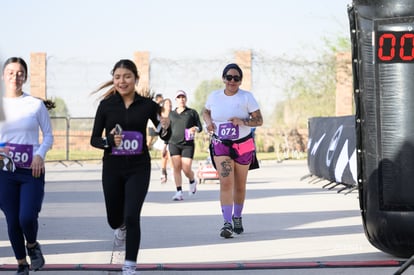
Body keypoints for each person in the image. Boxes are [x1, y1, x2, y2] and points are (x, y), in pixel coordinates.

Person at [90, 59, 170, 275]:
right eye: (117, 77)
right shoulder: (106, 106)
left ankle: (130, 265)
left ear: (135, 78)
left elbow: (164, 133)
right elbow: (94, 139)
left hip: (138, 167)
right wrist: (108, 142)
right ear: (113, 79)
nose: (122, 81)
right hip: (113, 168)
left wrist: (165, 127)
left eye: (127, 76)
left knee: (132, 215)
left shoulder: (147, 105)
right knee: (115, 219)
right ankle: (120, 227)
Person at [0, 57, 54, 274]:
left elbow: (48, 135)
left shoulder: (34, 104)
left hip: (32, 170)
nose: (16, 76)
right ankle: (21, 263)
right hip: (5, 171)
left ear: (26, 76)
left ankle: (32, 245)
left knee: (27, 217)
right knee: (13, 221)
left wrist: (40, 154)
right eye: (11, 72)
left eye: (20, 72)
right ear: (4, 76)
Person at [202, 63, 263, 238]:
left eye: (236, 78)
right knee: (226, 182)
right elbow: (205, 112)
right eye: (229, 77)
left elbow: (259, 120)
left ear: (241, 80)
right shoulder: (214, 96)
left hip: (243, 144)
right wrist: (208, 123)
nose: (232, 81)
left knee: (240, 185)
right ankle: (226, 222)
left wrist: (242, 121)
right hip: (221, 144)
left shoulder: (247, 97)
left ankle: (237, 216)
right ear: (223, 79)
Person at [168, 90, 202, 201]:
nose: (181, 99)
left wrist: (195, 128)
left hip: (188, 144)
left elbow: (200, 127)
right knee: (176, 167)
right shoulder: (171, 114)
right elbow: (167, 130)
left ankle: (192, 180)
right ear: (176, 100)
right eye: (179, 97)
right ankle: (179, 192)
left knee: (186, 168)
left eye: (183, 97)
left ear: (186, 99)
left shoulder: (192, 112)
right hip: (173, 143)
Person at [157, 98, 172, 183]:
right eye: (167, 104)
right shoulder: (160, 114)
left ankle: (173, 172)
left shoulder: (173, 114)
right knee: (163, 156)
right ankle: (163, 172)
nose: (169, 105)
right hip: (162, 136)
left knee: (169, 155)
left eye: (170, 104)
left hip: (170, 136)